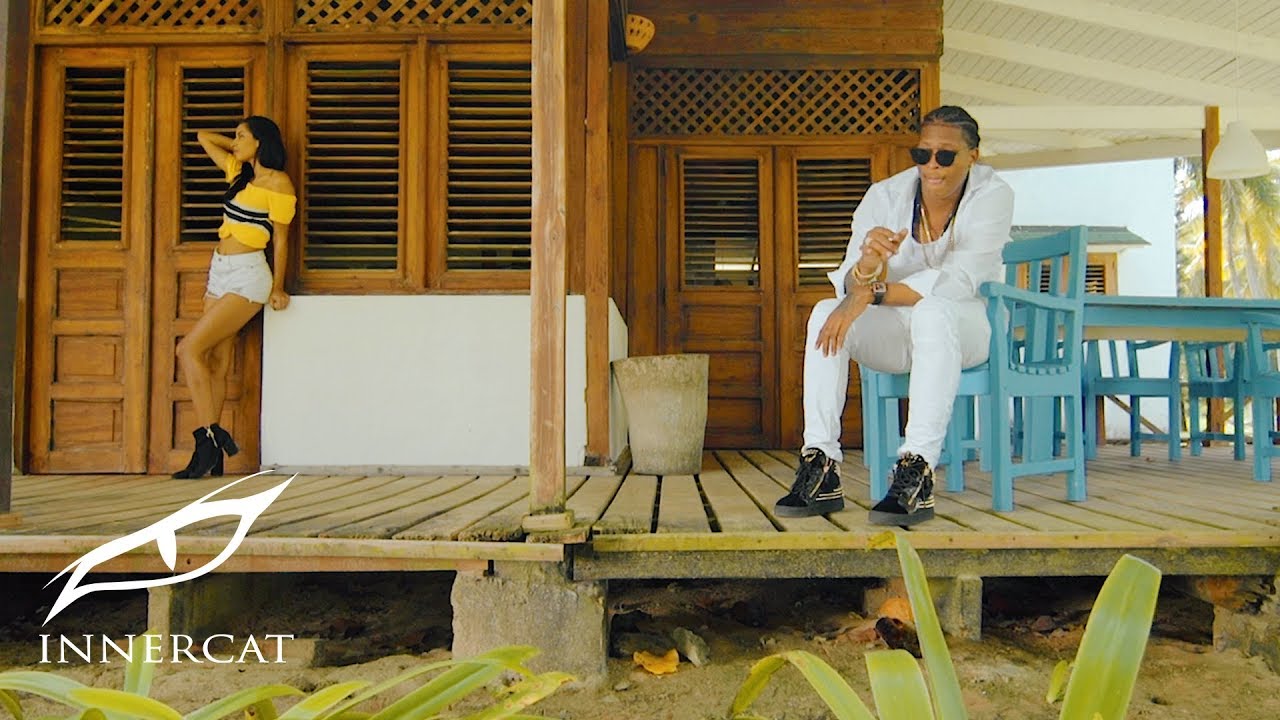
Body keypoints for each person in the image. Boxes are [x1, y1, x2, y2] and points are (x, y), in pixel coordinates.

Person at [773, 106, 1013, 525]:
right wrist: (868, 265)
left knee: (933, 310)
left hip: (964, 326)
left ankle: (917, 468)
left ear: (972, 156)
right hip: (895, 329)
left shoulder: (993, 194)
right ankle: (821, 463)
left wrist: (870, 293)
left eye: (945, 155)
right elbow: (849, 280)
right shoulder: (885, 196)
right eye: (923, 154)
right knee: (825, 311)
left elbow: (958, 281)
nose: (932, 165)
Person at [173, 116, 296, 479]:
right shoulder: (238, 173)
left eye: (243, 136)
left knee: (188, 350)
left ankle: (209, 438)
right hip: (220, 271)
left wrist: (277, 287)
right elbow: (203, 137)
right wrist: (239, 147)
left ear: (261, 142)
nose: (235, 140)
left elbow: (281, 240)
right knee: (215, 360)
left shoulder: (279, 183)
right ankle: (213, 452)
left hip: (248, 276)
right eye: (236, 136)